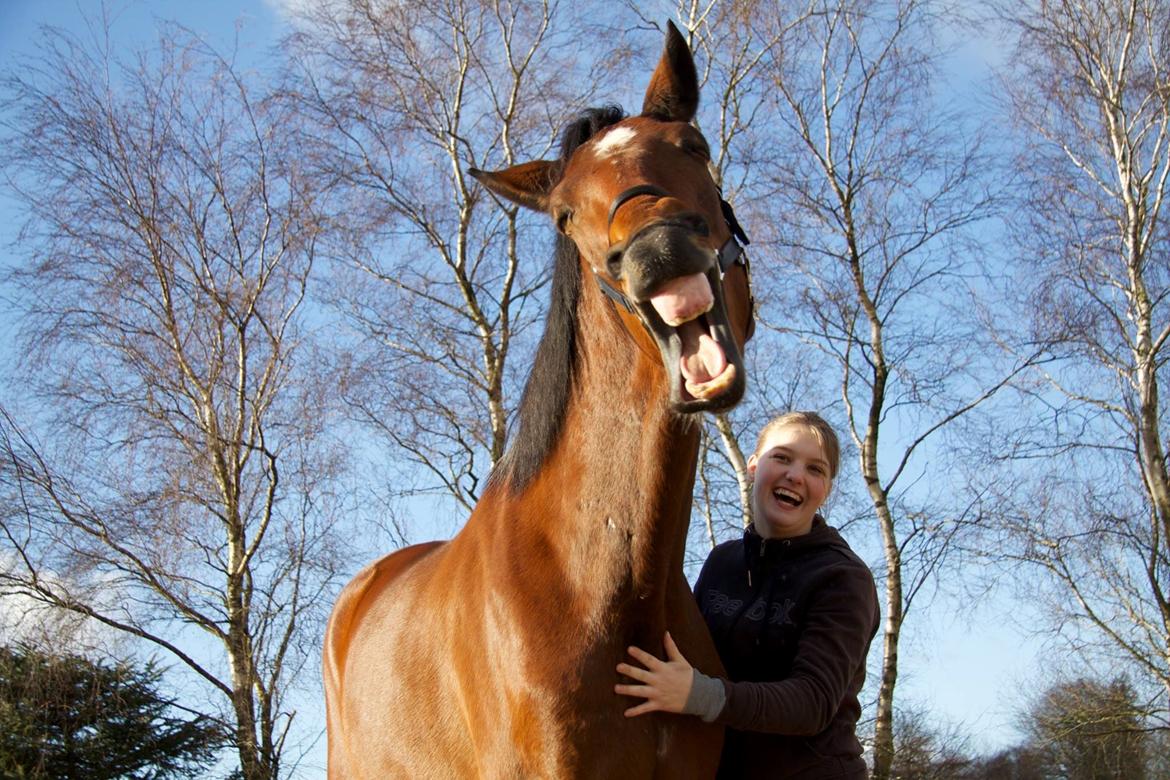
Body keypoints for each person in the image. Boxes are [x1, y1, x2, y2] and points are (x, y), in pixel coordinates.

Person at [615, 411, 879, 779]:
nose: (796, 475)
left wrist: (700, 696)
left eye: (815, 469)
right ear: (754, 465)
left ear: (826, 491)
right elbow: (681, 653)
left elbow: (813, 702)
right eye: (782, 457)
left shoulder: (843, 579)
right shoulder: (723, 562)